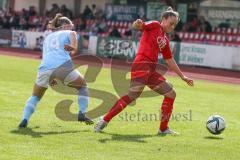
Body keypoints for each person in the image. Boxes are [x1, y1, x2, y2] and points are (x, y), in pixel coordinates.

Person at [94, 7, 194, 135]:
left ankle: (163, 129)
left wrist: (183, 76)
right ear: (164, 19)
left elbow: (169, 60)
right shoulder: (155, 25)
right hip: (142, 64)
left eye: (175, 25)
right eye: (171, 23)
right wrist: (138, 23)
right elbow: (139, 25)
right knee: (132, 95)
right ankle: (104, 120)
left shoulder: (165, 40)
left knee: (171, 93)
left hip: (151, 70)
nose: (172, 27)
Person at [18, 13, 93, 128]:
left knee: (35, 96)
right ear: (65, 26)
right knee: (83, 87)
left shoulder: (48, 37)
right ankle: (82, 113)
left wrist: (51, 78)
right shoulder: (70, 33)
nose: (72, 28)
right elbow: (74, 50)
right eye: (70, 25)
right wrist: (72, 48)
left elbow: (47, 56)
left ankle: (25, 118)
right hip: (63, 66)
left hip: (45, 68)